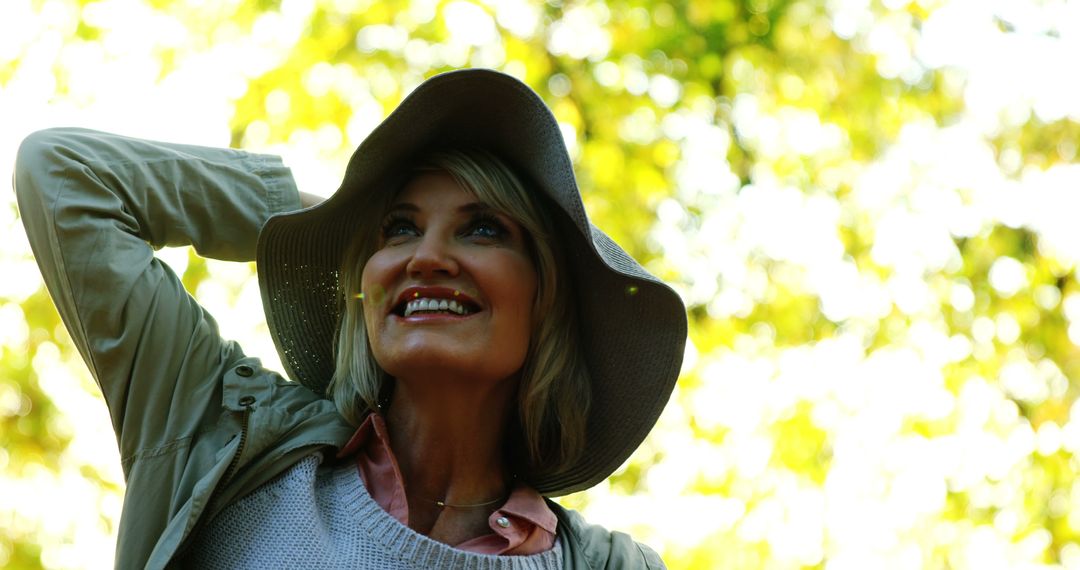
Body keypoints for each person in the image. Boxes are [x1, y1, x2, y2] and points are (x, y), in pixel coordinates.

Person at [15, 68, 686, 568]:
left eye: (481, 229)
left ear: (547, 302)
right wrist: (329, 225)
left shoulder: (605, 566)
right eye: (399, 229)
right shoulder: (222, 439)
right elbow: (65, 175)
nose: (426, 256)